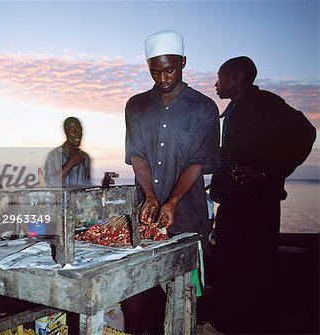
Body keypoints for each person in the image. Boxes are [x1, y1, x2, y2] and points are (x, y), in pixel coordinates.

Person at [123, 30, 220, 334]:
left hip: (188, 217)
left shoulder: (203, 108)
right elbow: (137, 155)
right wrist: (151, 197)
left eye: (170, 69)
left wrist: (172, 201)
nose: (162, 77)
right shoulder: (136, 106)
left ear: (183, 62)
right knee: (136, 288)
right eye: (155, 71)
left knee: (184, 297)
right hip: (147, 215)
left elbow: (197, 162)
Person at [210, 56, 316, 334]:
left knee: (254, 273)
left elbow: (307, 132)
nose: (216, 84)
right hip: (233, 204)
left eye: (220, 77)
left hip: (257, 206)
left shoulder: (266, 103)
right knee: (228, 268)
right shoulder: (236, 109)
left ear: (236, 77)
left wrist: (269, 172)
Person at [44, 117, 91, 187]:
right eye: (73, 130)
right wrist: (71, 163)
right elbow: (50, 185)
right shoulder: (53, 155)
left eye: (80, 130)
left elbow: (87, 186)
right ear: (66, 132)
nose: (78, 133)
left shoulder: (85, 157)